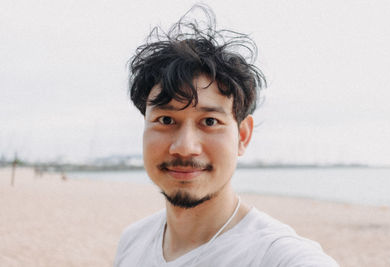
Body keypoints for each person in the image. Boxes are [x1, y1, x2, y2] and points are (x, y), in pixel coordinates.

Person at [114, 5, 338, 267]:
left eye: (210, 121)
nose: (185, 147)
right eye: (166, 120)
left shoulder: (278, 257)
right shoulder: (133, 241)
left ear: (243, 136)